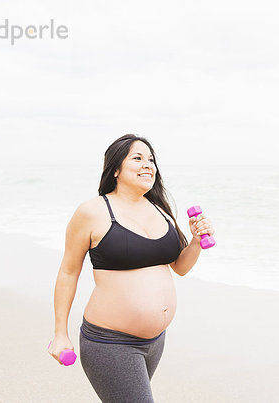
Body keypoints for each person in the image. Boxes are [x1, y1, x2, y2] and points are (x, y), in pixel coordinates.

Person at [48, 134, 215, 402]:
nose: (147, 164)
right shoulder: (92, 211)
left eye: (151, 159)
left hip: (155, 341)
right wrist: (60, 334)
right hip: (111, 343)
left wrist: (195, 242)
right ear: (115, 169)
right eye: (137, 158)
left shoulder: (160, 209)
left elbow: (180, 267)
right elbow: (68, 271)